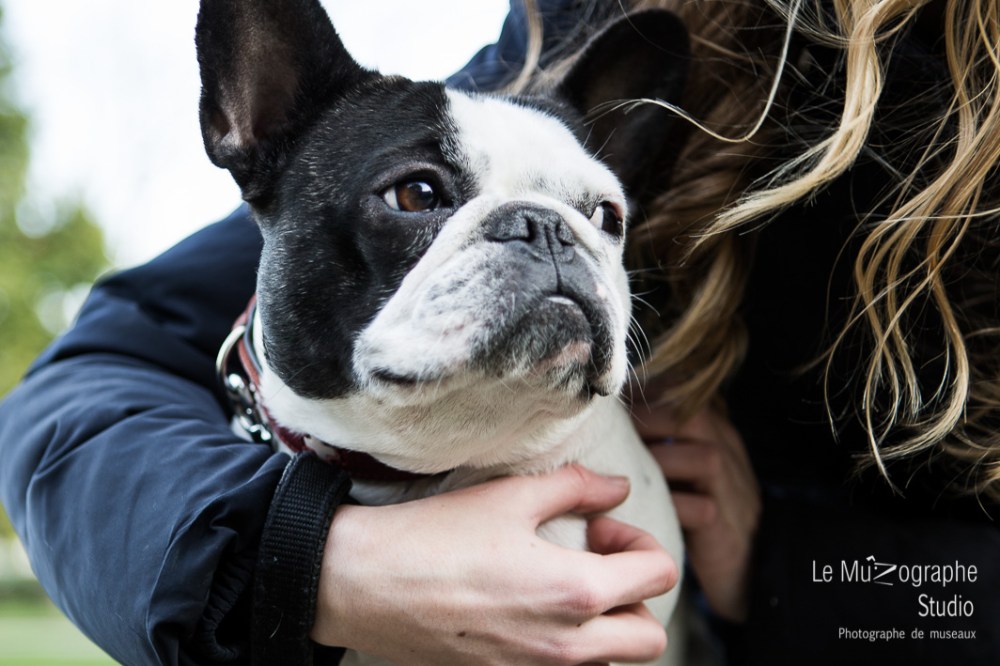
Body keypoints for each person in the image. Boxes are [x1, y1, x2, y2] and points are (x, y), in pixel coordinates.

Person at [1, 0, 997, 665]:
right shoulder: (565, 45)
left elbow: (963, 600)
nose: (547, 246)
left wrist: (793, 565)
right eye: (421, 194)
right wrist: (311, 563)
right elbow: (95, 377)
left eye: (596, 218)